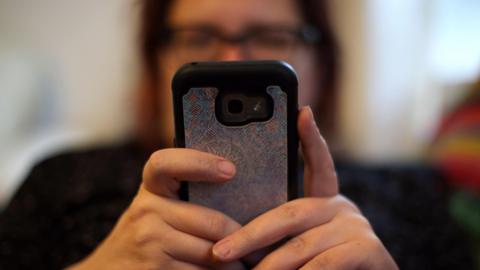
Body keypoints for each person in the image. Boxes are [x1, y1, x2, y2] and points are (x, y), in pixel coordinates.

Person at [0, 0, 473, 269]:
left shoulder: (413, 189)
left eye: (270, 37)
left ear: (323, 66)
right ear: (155, 60)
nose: (231, 62)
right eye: (199, 38)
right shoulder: (60, 178)